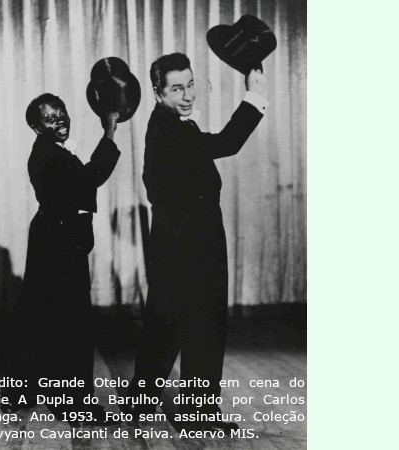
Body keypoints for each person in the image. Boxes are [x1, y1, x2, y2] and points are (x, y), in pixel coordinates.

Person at [126, 53, 269, 432]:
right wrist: (254, 95)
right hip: (187, 239)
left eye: (190, 85)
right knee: (195, 322)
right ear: (158, 92)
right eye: (177, 89)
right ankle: (189, 412)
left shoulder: (171, 123)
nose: (188, 95)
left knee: (172, 322)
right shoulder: (169, 130)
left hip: (185, 236)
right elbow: (227, 143)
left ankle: (152, 405)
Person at [4, 93, 120, 424]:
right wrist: (109, 132)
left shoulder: (51, 151)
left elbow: (81, 181)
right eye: (50, 118)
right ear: (35, 126)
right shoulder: (50, 154)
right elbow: (90, 178)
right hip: (60, 243)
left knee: (43, 319)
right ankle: (77, 406)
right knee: (73, 325)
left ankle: (24, 394)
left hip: (53, 239)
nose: (60, 121)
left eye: (62, 113)